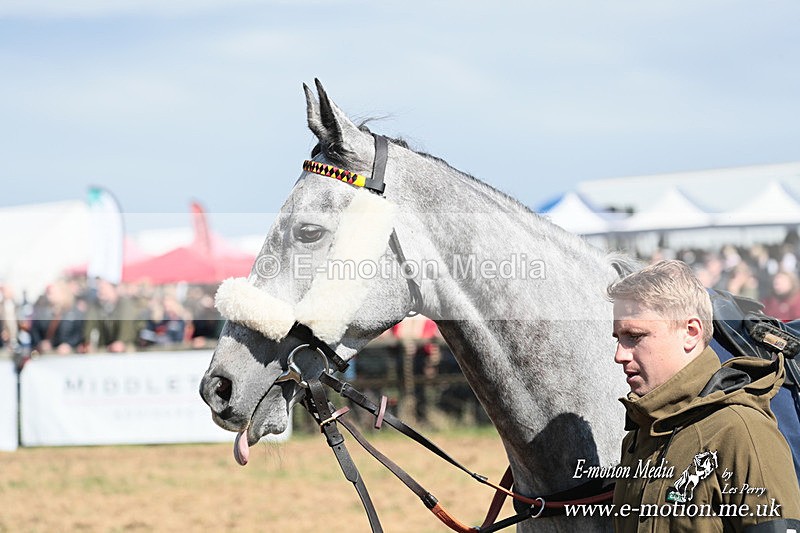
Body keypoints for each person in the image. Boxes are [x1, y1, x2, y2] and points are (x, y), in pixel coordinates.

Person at [609, 260, 800, 532]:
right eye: (618, 338)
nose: (619, 355)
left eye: (634, 337)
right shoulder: (638, 438)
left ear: (691, 333)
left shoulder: (741, 431)